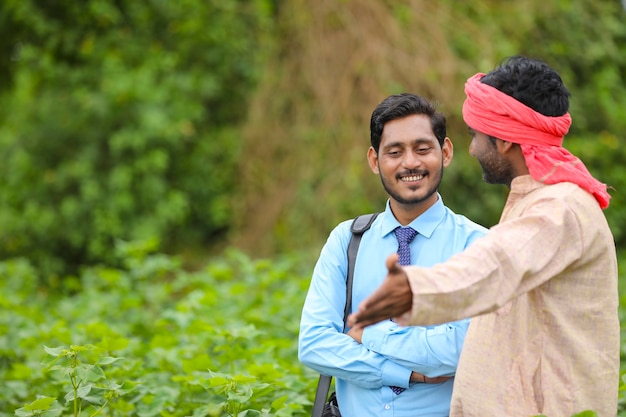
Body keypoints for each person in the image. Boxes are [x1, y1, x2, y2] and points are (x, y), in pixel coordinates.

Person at [348, 56, 619, 417]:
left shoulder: (560, 207)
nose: (473, 148)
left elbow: (497, 263)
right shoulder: (538, 201)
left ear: (505, 140)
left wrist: (416, 290)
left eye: (477, 135)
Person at [298, 93, 487, 417]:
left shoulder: (478, 245)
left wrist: (366, 333)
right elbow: (315, 344)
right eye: (395, 152)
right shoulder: (348, 240)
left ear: (446, 152)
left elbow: (463, 350)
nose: (410, 163)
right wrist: (407, 372)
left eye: (422, 149)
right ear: (375, 161)